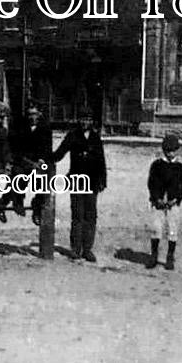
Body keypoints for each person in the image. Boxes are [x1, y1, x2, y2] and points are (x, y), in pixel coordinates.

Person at [53, 112, 107, 262]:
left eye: (88, 119)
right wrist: (46, 157)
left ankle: (87, 249)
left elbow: (101, 160)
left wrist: (102, 180)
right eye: (83, 119)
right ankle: (76, 249)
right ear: (79, 120)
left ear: (92, 121)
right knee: (77, 215)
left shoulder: (96, 138)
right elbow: (59, 154)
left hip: (92, 182)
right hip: (77, 181)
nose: (85, 122)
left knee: (91, 216)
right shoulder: (72, 136)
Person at [5, 104, 54, 224]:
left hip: (39, 162)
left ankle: (37, 207)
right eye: (30, 114)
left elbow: (47, 148)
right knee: (19, 174)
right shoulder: (21, 128)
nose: (32, 117)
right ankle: (18, 201)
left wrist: (41, 160)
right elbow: (16, 149)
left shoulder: (45, 128)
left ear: (39, 114)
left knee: (43, 178)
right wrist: (29, 162)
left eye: (34, 114)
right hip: (24, 160)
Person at [147, 133, 182, 271]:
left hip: (173, 204)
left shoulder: (179, 167)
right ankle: (154, 255)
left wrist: (177, 199)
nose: (171, 154)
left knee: (172, 229)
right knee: (156, 229)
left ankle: (170, 257)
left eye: (173, 151)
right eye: (168, 151)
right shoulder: (157, 165)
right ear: (164, 150)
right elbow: (151, 184)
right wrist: (156, 198)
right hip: (158, 203)